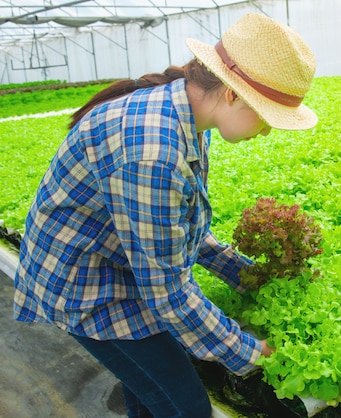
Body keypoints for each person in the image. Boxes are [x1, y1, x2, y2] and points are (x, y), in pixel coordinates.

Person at [13, 13, 317, 418]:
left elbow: (175, 232)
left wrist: (245, 275)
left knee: (150, 391)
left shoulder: (190, 119)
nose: (266, 132)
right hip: (85, 283)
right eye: (266, 117)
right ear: (231, 95)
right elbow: (166, 291)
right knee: (184, 406)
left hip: (123, 264)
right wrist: (247, 352)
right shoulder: (154, 151)